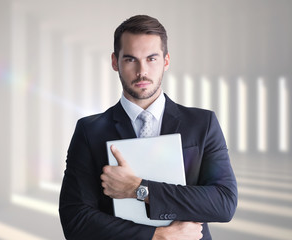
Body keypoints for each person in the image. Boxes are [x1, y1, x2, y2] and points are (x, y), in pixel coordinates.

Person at [59, 15, 237, 240]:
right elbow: (75, 218)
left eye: (151, 59)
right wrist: (157, 236)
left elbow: (224, 203)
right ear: (115, 62)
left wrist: (137, 189)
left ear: (166, 60)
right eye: (131, 59)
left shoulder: (202, 123)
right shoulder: (89, 131)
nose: (142, 71)